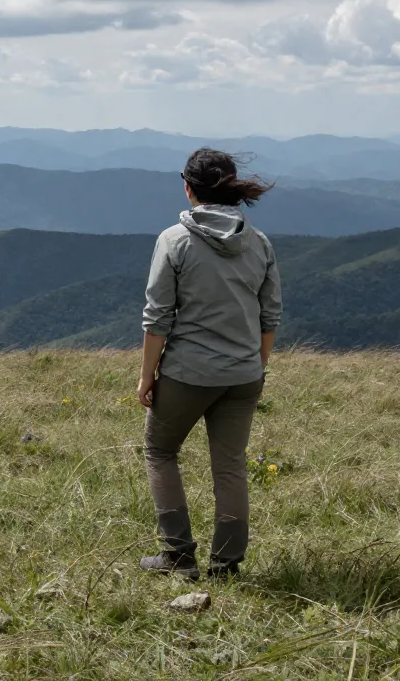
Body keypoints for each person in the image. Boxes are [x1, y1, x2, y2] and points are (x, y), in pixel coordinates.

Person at [135, 148, 282, 581]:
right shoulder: (260, 243)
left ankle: (178, 557)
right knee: (230, 465)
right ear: (233, 187)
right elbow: (269, 317)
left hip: (188, 372)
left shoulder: (174, 241)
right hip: (243, 374)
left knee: (160, 451)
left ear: (187, 186)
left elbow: (157, 318)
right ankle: (226, 566)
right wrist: (256, 368)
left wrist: (147, 375)